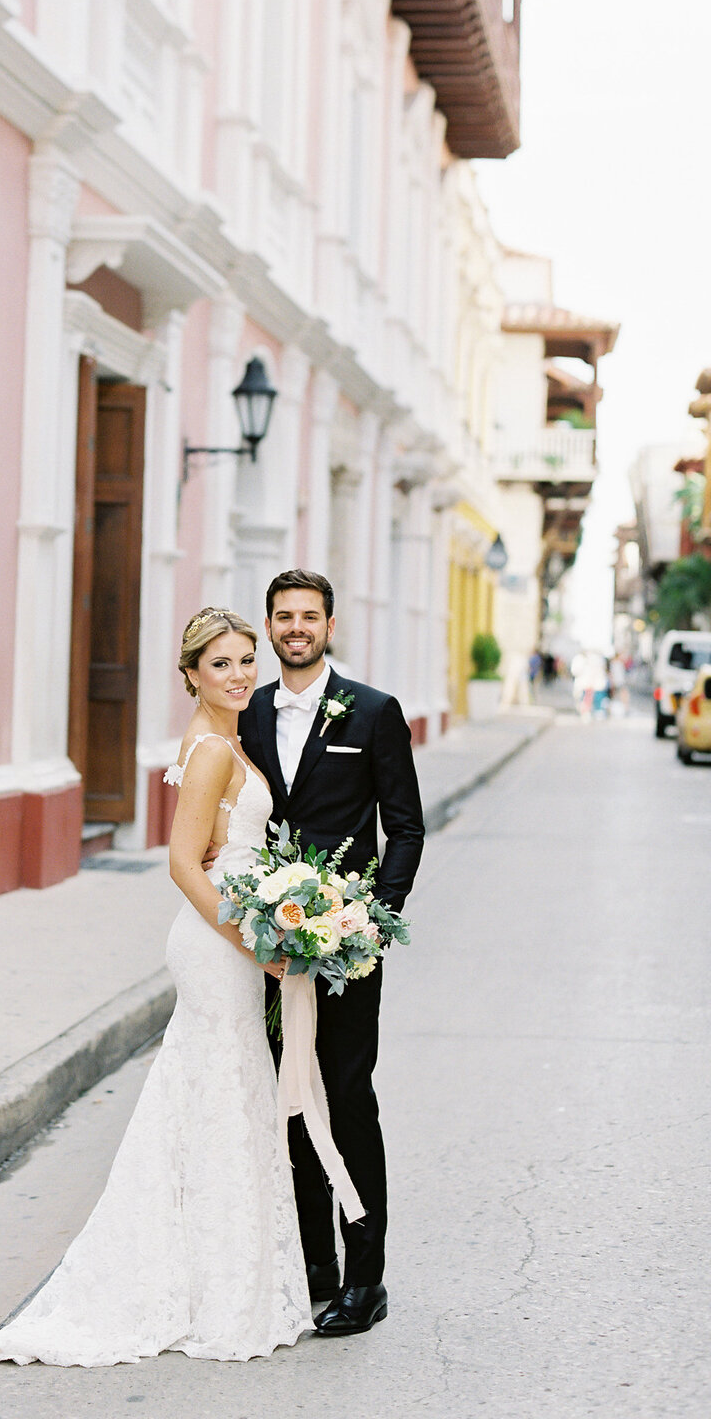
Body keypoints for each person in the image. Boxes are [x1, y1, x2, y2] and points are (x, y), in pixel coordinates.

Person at [0, 607, 315, 1366]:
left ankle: (219, 1274)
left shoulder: (229, 740)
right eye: (221, 664)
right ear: (191, 673)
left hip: (231, 935)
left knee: (221, 1095)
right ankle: (204, 1286)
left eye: (244, 662)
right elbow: (183, 862)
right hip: (214, 942)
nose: (237, 676)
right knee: (220, 1092)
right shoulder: (207, 752)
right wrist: (255, 942)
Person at [236, 569, 425, 1337]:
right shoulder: (247, 712)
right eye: (283, 617)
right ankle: (313, 1265)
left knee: (347, 1100)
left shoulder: (374, 713)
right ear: (271, 626)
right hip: (269, 951)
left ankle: (365, 1278)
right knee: (287, 1103)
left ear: (331, 625)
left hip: (345, 949)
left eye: (308, 617)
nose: (295, 629)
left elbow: (405, 825)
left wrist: (375, 920)